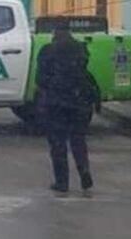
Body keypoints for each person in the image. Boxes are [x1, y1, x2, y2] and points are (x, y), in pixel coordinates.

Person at [36, 28, 101, 194]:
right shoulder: (81, 50)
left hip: (56, 102)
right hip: (80, 101)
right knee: (78, 140)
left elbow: (40, 79)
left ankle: (62, 182)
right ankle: (84, 170)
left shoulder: (47, 51)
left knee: (58, 144)